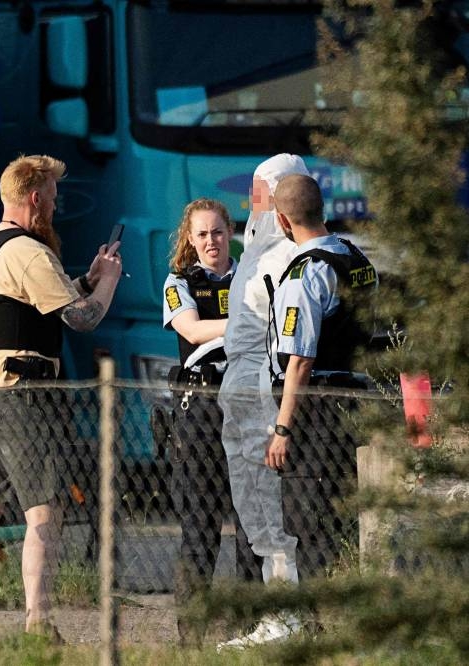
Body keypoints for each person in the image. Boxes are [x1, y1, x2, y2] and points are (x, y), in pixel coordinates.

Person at [0, 154, 122, 638]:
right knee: (44, 508)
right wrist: (110, 287)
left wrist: (88, 279)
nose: (56, 206)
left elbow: (28, 306)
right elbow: (80, 319)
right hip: (21, 397)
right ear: (35, 199)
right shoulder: (30, 251)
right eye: (54, 198)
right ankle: (39, 621)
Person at [216, 154, 310, 650]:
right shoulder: (258, 251)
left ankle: (286, 617)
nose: (250, 202)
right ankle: (279, 614)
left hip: (257, 386)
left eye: (259, 192)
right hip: (240, 383)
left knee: (265, 503)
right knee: (248, 502)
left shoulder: (283, 258)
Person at [265, 174, 376, 581]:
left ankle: (318, 622)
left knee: (309, 518)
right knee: (348, 515)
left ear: (281, 220)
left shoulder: (306, 274)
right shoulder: (357, 258)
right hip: (356, 400)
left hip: (316, 411)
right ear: (322, 209)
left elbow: (300, 361)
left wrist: (282, 427)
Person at [161, 198, 262, 643]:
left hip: (247, 402)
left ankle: (250, 625)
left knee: (251, 520)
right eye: (201, 234)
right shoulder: (178, 282)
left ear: (230, 233)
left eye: (217, 232)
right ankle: (193, 633)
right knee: (200, 524)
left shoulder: (251, 275)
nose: (210, 241)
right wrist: (247, 322)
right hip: (200, 407)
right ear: (189, 238)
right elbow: (192, 329)